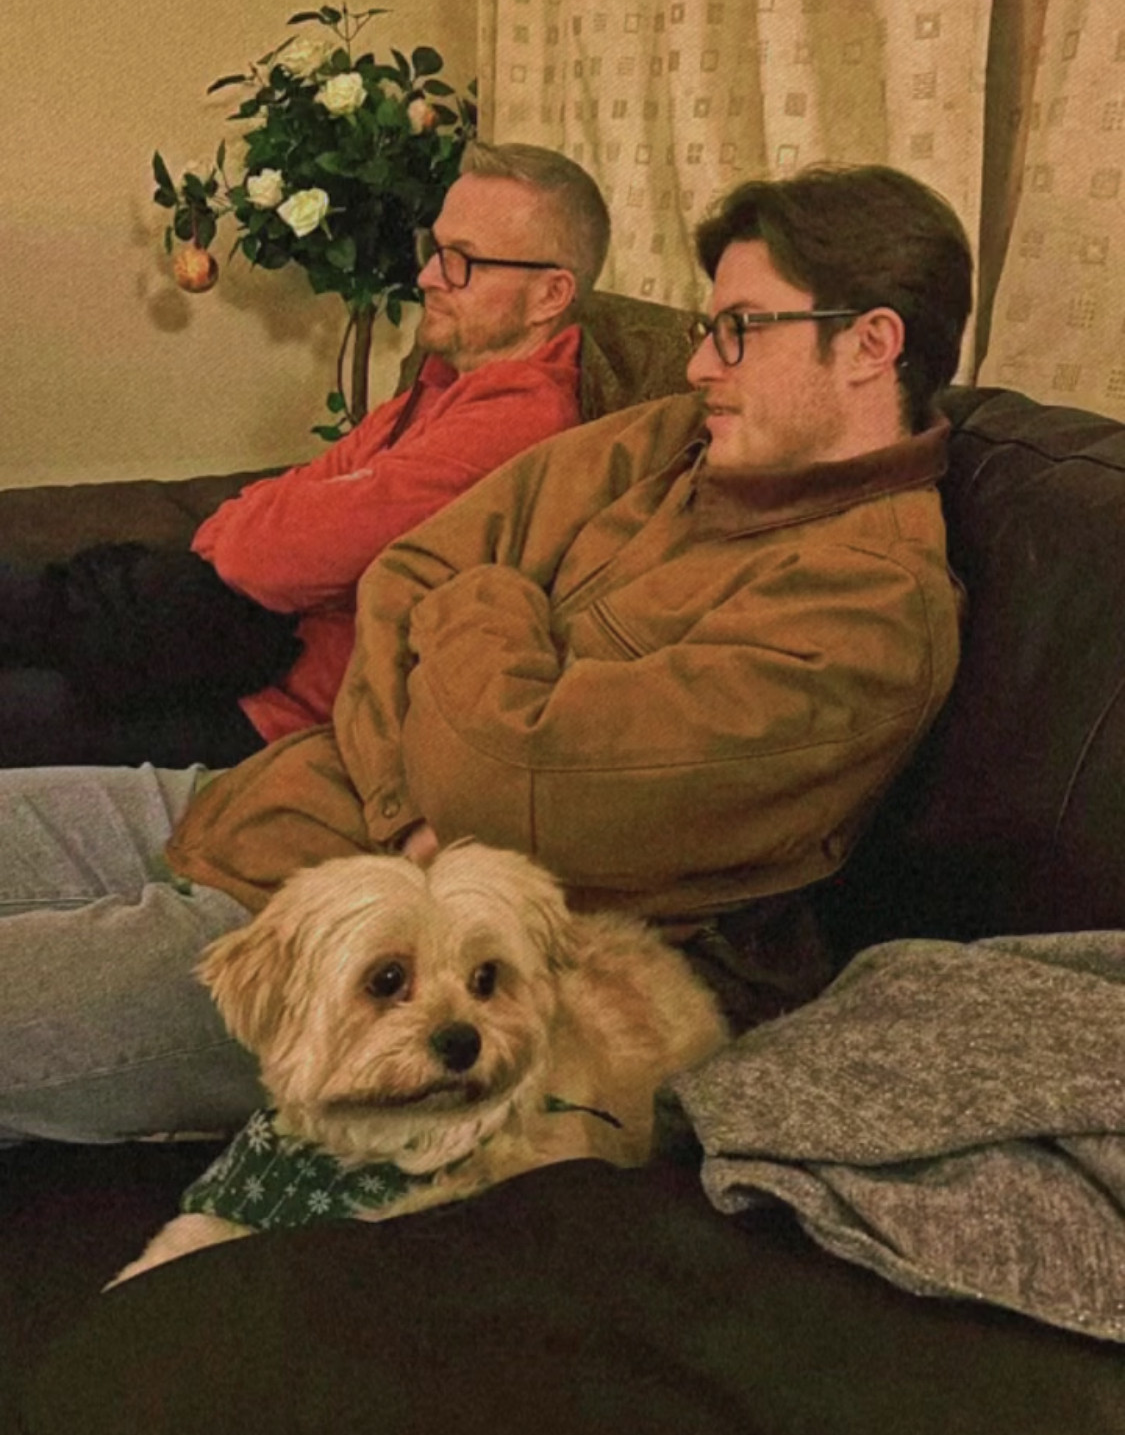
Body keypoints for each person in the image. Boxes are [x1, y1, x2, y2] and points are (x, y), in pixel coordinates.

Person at [0, 164, 972, 1142]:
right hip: (270, 800)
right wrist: (408, 798)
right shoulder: (670, 442)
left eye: (740, 329)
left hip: (369, 967)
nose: (698, 368)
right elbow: (405, 573)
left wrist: (487, 595)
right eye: (706, 328)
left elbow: (505, 775)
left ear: (870, 344)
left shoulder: (866, 612)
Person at [0, 142, 611, 770]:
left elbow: (262, 559)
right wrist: (262, 525)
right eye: (434, 249)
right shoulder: (442, 387)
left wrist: (259, 528)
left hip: (270, 714)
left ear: (550, 295)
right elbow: (304, 491)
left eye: (462, 261)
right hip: (229, 652)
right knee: (42, 597)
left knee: (30, 668)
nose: (428, 276)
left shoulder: (516, 425)